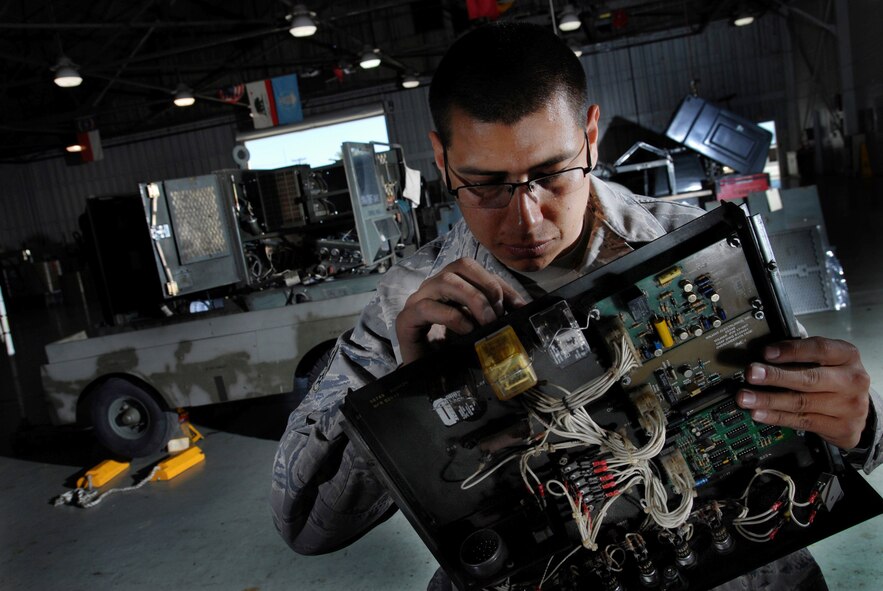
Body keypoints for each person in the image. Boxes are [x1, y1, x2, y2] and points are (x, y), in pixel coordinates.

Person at [271, 21, 881, 590]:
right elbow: (305, 525)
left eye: (553, 173)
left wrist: (860, 425)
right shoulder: (408, 305)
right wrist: (405, 400)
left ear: (589, 134)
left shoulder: (701, 248)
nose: (525, 218)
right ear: (440, 159)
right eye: (485, 183)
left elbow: (840, 438)